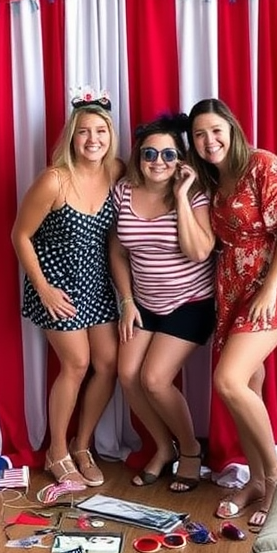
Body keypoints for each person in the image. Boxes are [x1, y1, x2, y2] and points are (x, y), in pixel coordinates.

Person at [188, 97, 277, 532]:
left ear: (231, 129)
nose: (209, 141)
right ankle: (256, 480)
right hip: (233, 286)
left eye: (215, 131)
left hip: (273, 284)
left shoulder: (263, 164)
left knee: (228, 380)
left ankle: (276, 474)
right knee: (249, 383)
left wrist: (269, 287)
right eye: (199, 135)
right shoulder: (212, 181)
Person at [12, 89, 124, 489]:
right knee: (76, 365)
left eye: (101, 131)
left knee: (109, 365)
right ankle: (56, 451)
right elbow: (20, 235)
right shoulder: (54, 180)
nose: (93, 139)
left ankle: (82, 444)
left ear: (111, 135)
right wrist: (41, 287)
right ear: (71, 137)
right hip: (56, 286)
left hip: (97, 284)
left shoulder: (117, 173)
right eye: (84, 132)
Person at [109, 114, 216, 493]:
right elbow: (118, 251)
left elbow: (200, 251)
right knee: (127, 376)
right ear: (139, 157)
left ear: (180, 159)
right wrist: (126, 300)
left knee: (155, 380)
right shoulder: (123, 191)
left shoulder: (196, 195)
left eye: (168, 155)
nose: (158, 162)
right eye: (150, 153)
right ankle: (162, 447)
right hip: (144, 303)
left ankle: (189, 451)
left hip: (190, 302)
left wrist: (183, 195)